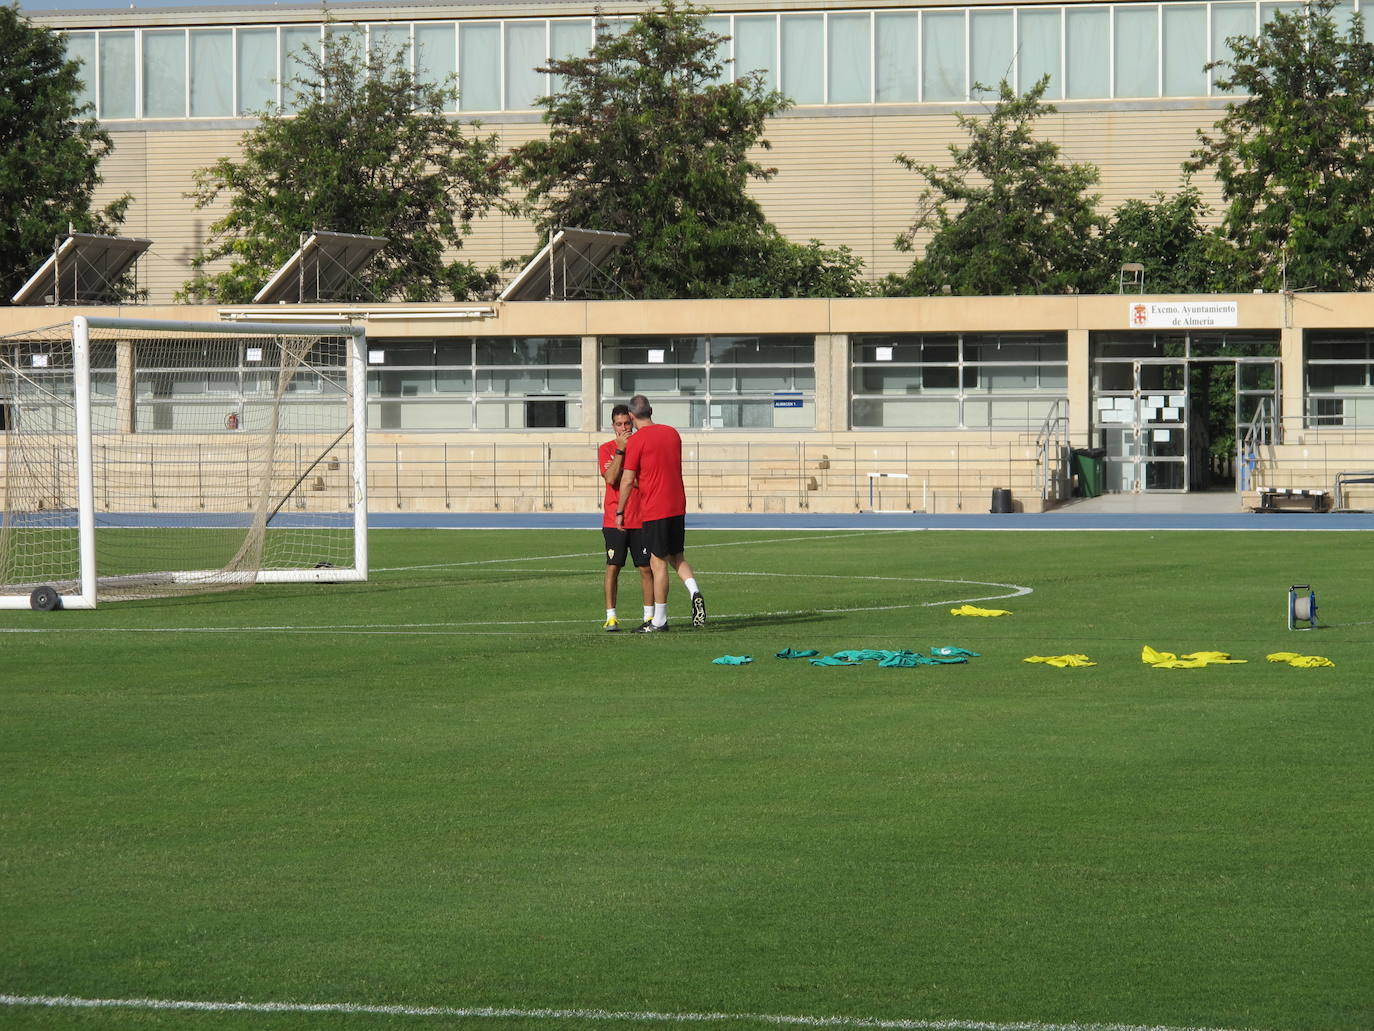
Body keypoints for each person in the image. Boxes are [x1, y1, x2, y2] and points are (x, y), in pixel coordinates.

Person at [615, 394, 705, 632]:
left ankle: (659, 620)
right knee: (678, 556)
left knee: (658, 562)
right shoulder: (672, 433)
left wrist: (620, 510)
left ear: (631, 417)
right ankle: (694, 589)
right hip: (677, 504)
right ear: (652, 410)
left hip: (656, 507)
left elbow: (627, 480)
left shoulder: (636, 441)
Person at [599, 404, 654, 632]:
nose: (623, 428)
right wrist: (621, 452)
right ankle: (611, 616)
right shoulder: (606, 449)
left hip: (640, 517)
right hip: (614, 519)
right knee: (613, 566)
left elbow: (644, 481)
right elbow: (611, 478)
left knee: (645, 568)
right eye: (619, 424)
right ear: (613, 426)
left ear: (633, 422)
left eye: (627, 424)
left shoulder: (643, 446)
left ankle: (650, 617)